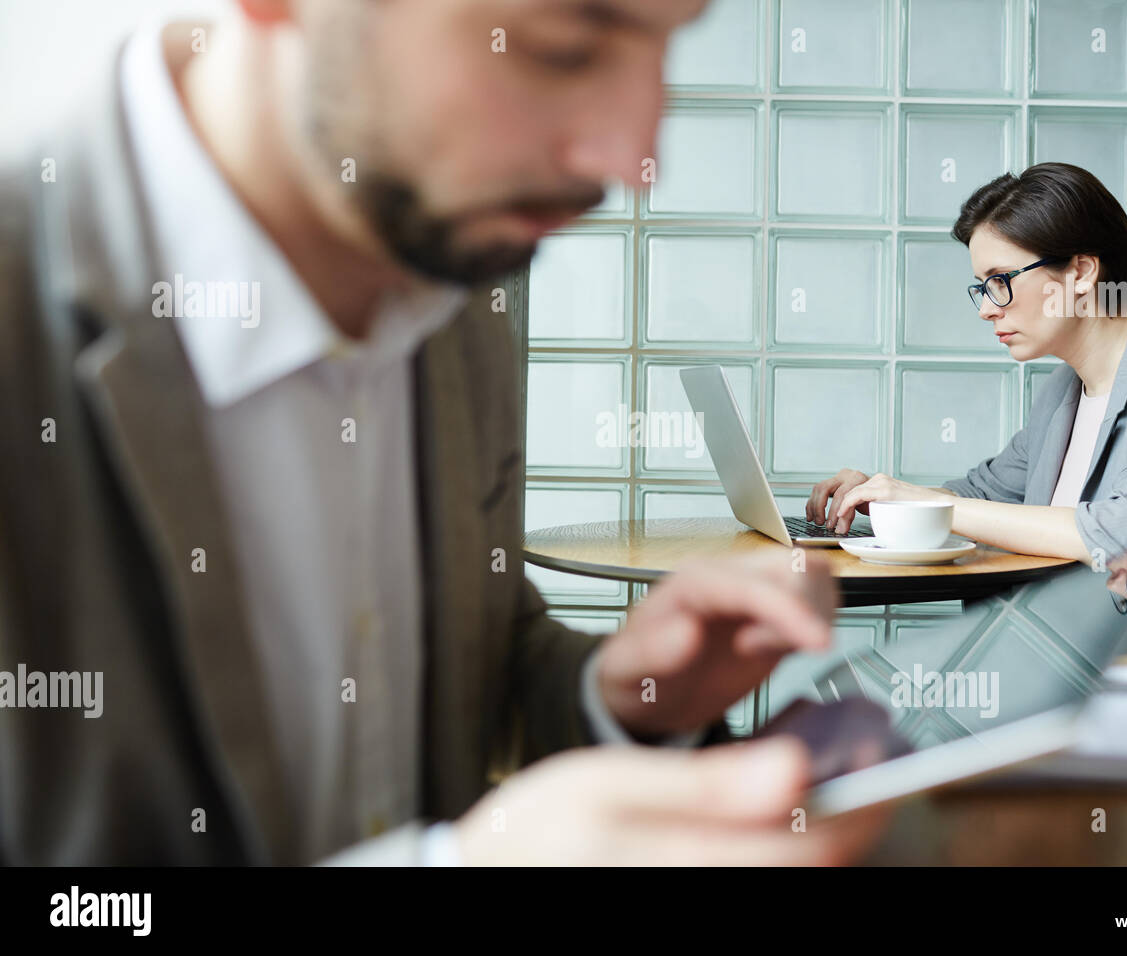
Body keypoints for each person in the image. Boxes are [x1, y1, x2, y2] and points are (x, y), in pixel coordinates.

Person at [0, 0, 888, 865]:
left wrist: (627, 694)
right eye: (560, 48)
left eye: (667, 46)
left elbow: (454, 681)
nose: (633, 156)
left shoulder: (454, 294)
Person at [807, 163, 1127, 655]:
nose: (986, 308)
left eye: (1000, 280)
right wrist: (879, 498)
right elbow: (983, 494)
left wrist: (928, 503)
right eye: (981, 286)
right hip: (1084, 680)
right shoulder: (1062, 392)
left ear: (1081, 272)